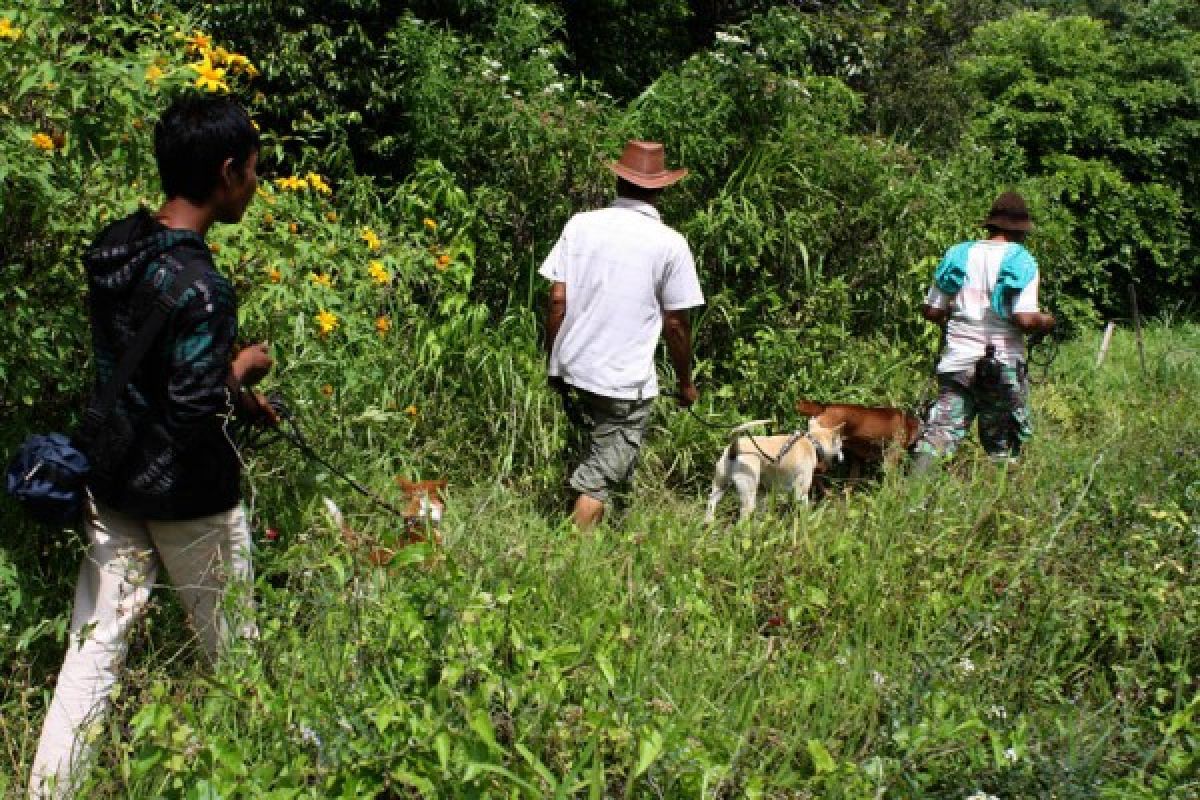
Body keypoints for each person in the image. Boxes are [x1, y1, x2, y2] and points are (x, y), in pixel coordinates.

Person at [28, 94, 277, 799]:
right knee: (233, 652)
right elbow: (194, 407)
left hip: (110, 480)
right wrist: (242, 371)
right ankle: (255, 777)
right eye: (253, 172)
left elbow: (144, 367)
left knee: (93, 647)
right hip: (188, 498)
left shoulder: (117, 246)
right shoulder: (203, 287)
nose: (255, 186)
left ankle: (50, 791)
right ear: (227, 173)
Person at [541, 140, 705, 529]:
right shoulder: (670, 244)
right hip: (622, 381)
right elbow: (677, 323)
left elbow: (557, 300)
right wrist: (685, 382)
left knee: (603, 452)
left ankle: (614, 531)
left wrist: (554, 359)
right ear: (661, 189)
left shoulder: (580, 225)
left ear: (618, 181)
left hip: (575, 367)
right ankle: (572, 564)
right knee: (599, 477)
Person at [912, 190, 1056, 471]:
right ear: (1021, 230)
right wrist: (1047, 322)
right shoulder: (1022, 261)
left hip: (957, 360)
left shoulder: (957, 255)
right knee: (1002, 443)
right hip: (1001, 363)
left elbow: (932, 311)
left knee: (939, 435)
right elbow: (1025, 320)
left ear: (991, 226)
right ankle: (999, 507)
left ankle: (910, 499)